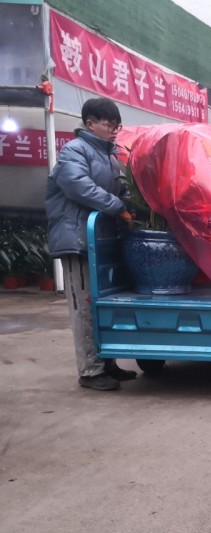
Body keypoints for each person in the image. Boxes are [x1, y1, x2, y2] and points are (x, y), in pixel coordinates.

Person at [45, 97, 136, 392]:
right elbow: (78, 186)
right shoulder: (74, 151)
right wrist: (117, 206)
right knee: (84, 307)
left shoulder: (109, 156)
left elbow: (122, 188)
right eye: (110, 124)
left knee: (99, 307)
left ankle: (106, 362)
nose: (114, 130)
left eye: (116, 125)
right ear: (90, 124)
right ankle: (90, 371)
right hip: (79, 241)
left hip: (102, 242)